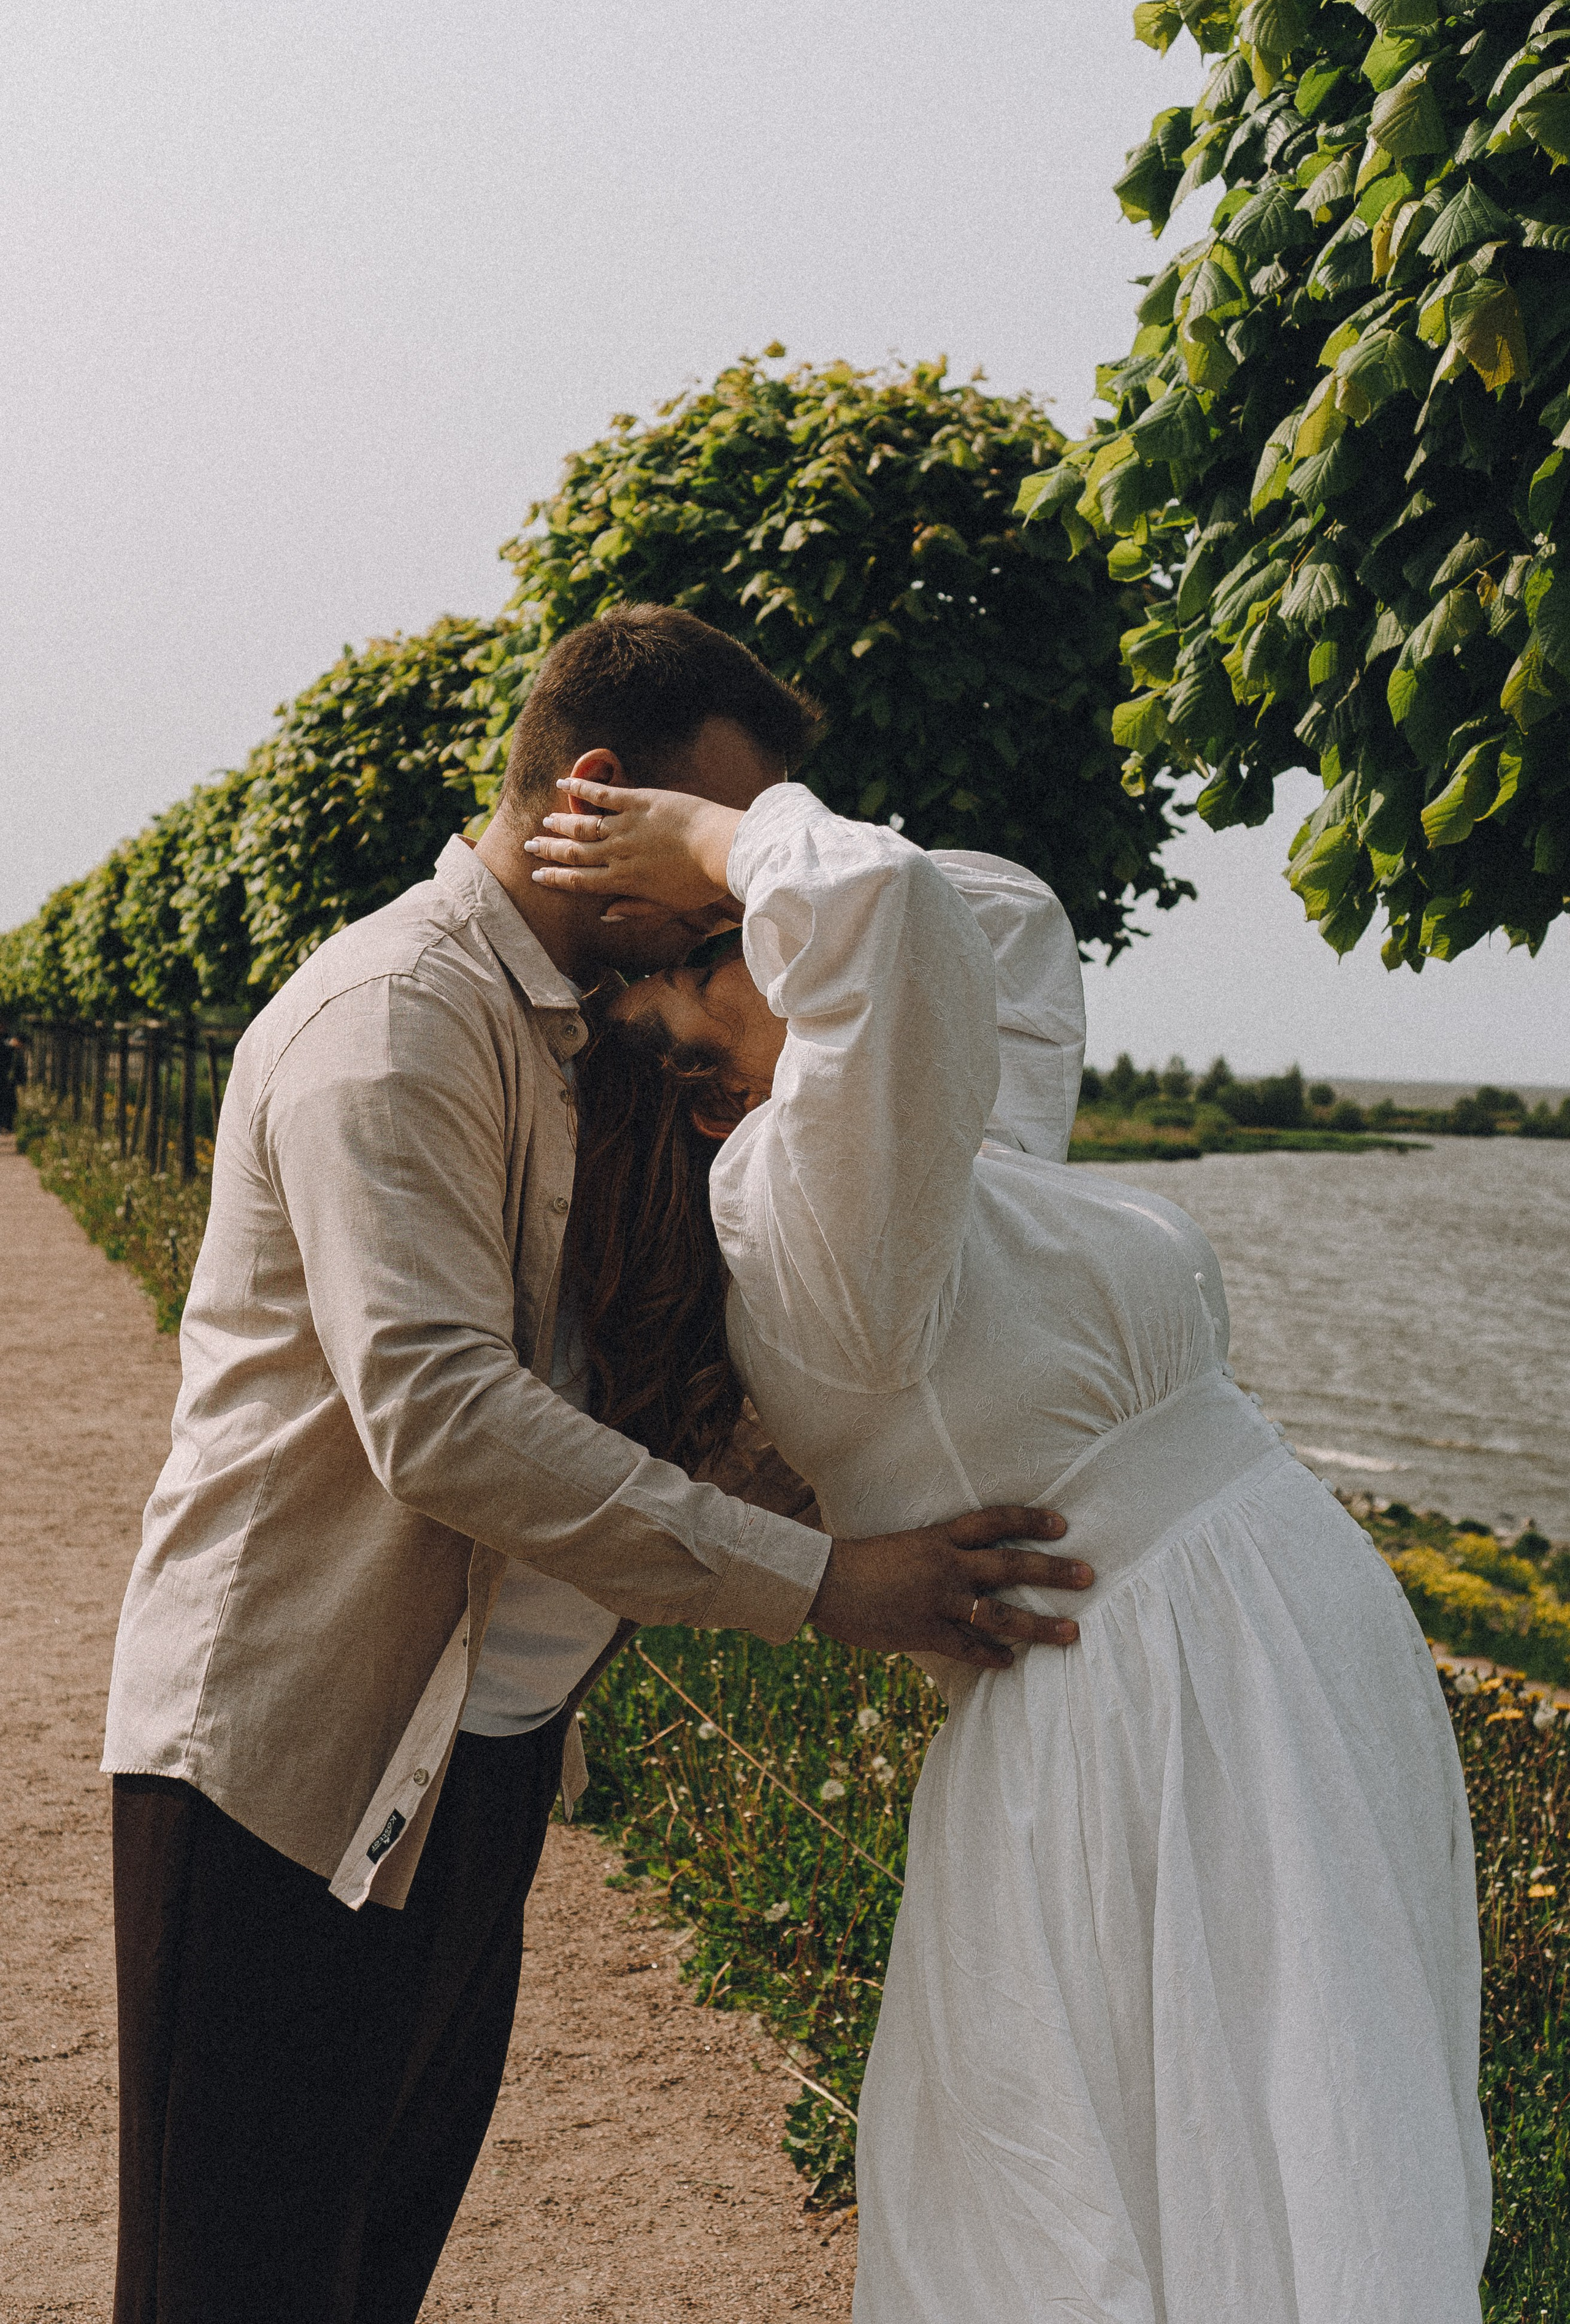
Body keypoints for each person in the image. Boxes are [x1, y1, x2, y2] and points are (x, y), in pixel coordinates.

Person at [101, 606, 1093, 2324]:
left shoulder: (600, 1040)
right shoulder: (398, 1016)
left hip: (477, 1762)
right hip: (287, 1762)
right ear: (597, 796)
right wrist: (826, 1589)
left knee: (362, 2275)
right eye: (701, 841)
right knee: (231, 2289)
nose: (725, 898)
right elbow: (439, 1414)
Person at [529, 769, 1492, 2324]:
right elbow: (890, 911)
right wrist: (717, 836)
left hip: (1241, 1676)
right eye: (712, 961)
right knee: (1228, 2154)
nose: (750, 937)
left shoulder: (920, 1168)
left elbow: (1002, 922)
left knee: (1289, 2125)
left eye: (733, 926)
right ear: (712, 1094)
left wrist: (725, 873)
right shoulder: (800, 1209)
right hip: (1157, 1714)